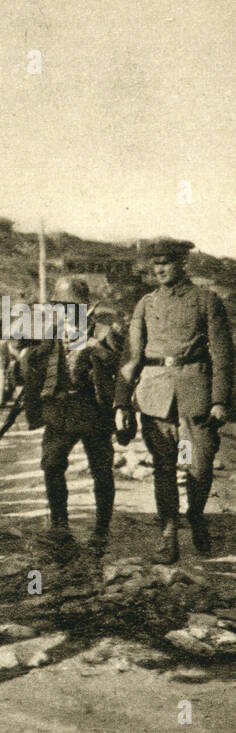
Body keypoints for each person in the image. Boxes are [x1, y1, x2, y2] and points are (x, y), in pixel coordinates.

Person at [117, 238, 232, 563]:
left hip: (197, 391)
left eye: (166, 262)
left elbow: (223, 356)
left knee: (200, 464)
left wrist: (220, 399)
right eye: (156, 264)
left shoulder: (206, 300)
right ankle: (168, 530)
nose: (160, 269)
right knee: (163, 467)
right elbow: (131, 358)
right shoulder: (146, 304)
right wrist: (122, 402)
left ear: (183, 264)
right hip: (155, 394)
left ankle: (195, 514)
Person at [21, 277, 124, 553]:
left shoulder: (104, 331)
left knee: (101, 470)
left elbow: (123, 365)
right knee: (52, 464)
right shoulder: (50, 330)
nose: (65, 311)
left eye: (70, 306)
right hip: (61, 410)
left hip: (94, 410)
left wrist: (96, 349)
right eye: (59, 305)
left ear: (85, 306)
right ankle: (59, 526)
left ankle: (101, 530)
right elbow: (26, 356)